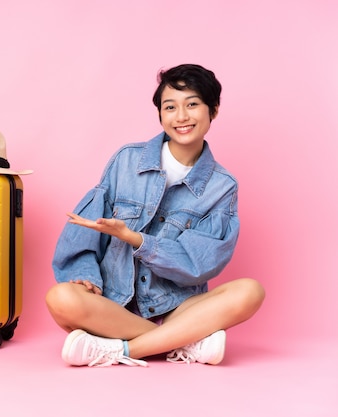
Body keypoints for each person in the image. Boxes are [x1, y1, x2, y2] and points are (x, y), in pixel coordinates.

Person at [45, 64, 265, 367]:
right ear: (160, 114)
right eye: (170, 107)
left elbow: (198, 264)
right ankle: (183, 342)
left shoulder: (221, 186)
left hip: (179, 307)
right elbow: (87, 232)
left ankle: (120, 351)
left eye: (192, 104)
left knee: (249, 292)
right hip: (114, 305)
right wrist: (85, 278)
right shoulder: (126, 159)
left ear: (213, 110)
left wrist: (136, 239)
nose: (181, 116)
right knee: (61, 298)